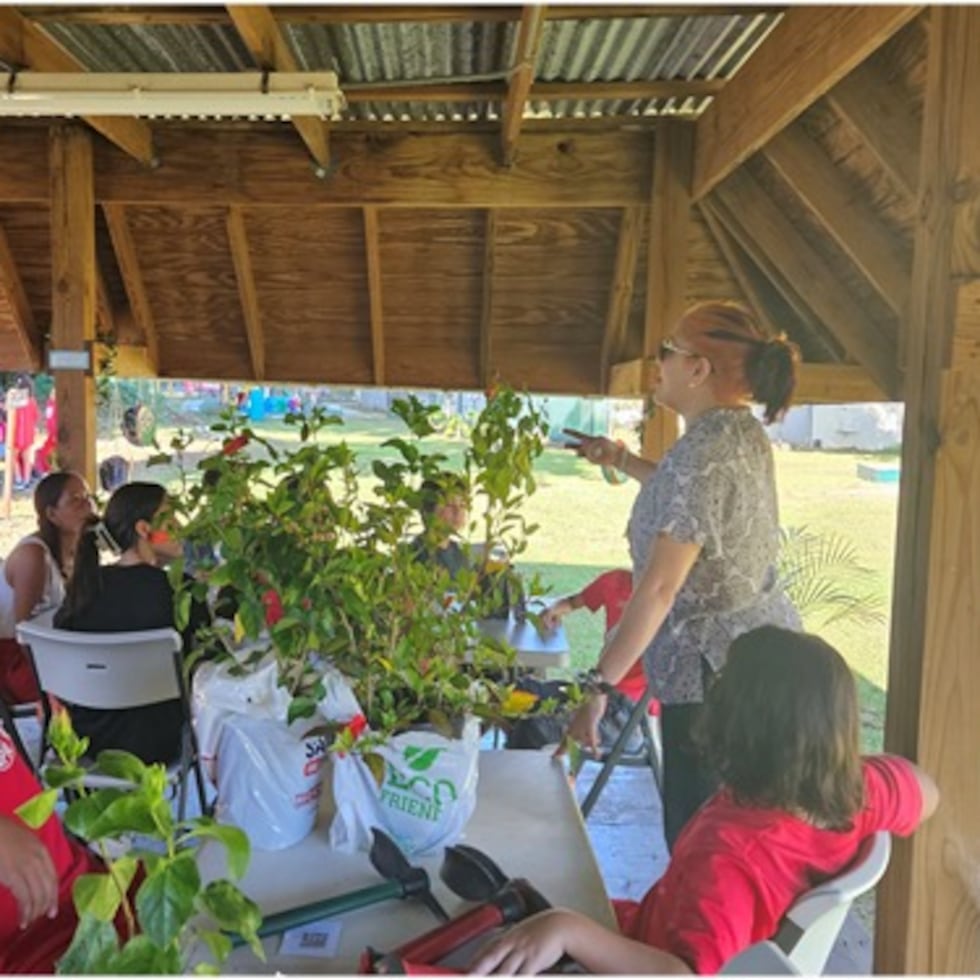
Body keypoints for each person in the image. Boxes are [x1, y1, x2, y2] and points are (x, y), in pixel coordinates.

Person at [471, 626, 940, 975]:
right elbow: (926, 792)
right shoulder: (859, 795)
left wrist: (570, 930)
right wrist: (830, 760)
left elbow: (688, 974)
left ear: (741, 725)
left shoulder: (730, 855)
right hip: (648, 928)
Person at [562, 301, 802, 850]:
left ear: (698, 369)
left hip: (715, 678)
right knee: (740, 845)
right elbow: (686, 503)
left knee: (701, 845)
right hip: (751, 665)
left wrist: (599, 686)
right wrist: (620, 460)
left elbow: (661, 587)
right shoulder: (734, 434)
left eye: (667, 351)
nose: (658, 364)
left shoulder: (705, 452)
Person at [53, 482, 209, 764]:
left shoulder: (84, 589)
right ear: (143, 529)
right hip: (158, 742)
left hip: (88, 741)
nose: (181, 527)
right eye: (172, 518)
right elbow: (208, 659)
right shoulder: (179, 591)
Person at [0, 472, 95, 704]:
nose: (88, 505)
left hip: (52, 651)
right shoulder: (34, 556)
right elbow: (23, 632)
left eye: (88, 497)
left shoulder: (78, 552)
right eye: (75, 500)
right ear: (52, 514)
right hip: (15, 657)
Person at [410, 473, 472, 583]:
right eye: (449, 505)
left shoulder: (461, 554)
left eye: (462, 505)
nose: (458, 512)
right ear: (428, 510)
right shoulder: (414, 556)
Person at [10, 376, 40, 490]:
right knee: (26, 458)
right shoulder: (32, 400)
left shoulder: (16, 399)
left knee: (13, 457)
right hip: (28, 434)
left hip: (17, 435)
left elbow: (12, 415)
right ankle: (26, 481)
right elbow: (35, 416)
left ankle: (18, 479)